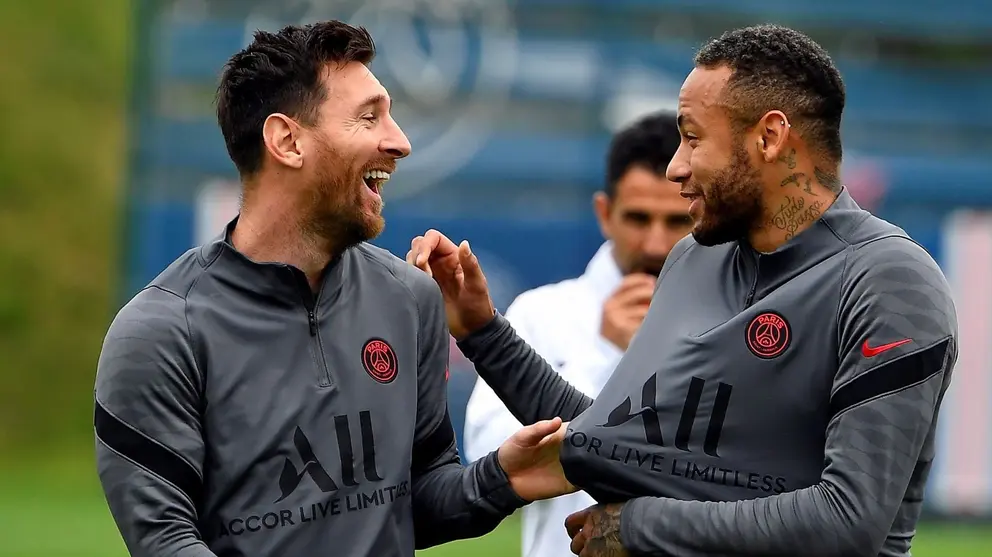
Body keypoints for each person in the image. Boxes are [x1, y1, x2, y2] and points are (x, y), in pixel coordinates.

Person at [407, 24, 958, 557]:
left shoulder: (887, 278)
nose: (676, 166)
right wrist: (483, 331)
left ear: (770, 137)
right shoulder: (695, 259)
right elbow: (620, 448)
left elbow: (847, 522)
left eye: (693, 138)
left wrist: (642, 526)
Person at [92, 21, 571, 557]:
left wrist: (499, 477)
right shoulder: (161, 331)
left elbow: (409, 502)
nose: (401, 142)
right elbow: (166, 542)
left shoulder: (408, 297)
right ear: (287, 141)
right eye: (370, 117)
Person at [462, 111, 691, 557]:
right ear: (605, 214)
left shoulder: (735, 315)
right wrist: (604, 354)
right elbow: (485, 451)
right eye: (639, 218)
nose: (656, 244)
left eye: (677, 221)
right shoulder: (544, 313)